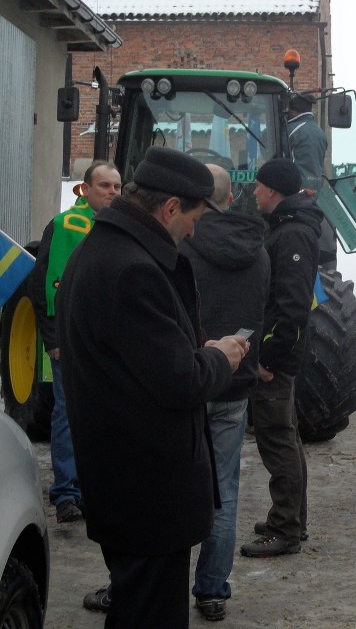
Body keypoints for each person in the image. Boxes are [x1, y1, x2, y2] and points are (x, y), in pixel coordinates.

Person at [57, 146, 247, 628]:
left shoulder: (103, 249)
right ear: (169, 208)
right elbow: (180, 382)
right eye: (194, 218)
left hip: (124, 483)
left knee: (135, 606)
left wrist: (188, 345)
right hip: (146, 491)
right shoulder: (133, 268)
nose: (194, 230)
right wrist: (217, 358)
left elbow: (140, 357)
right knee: (149, 614)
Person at [180, 165, 270, 620]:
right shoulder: (259, 249)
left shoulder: (180, 242)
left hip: (186, 379)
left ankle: (155, 582)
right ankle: (212, 588)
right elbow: (265, 308)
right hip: (234, 382)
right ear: (232, 198)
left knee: (170, 483)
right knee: (224, 487)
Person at [30, 160, 121, 524]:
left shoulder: (118, 230)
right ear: (85, 189)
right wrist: (52, 337)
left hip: (108, 340)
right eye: (104, 186)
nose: (112, 192)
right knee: (68, 412)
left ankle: (93, 486)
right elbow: (44, 286)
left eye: (116, 186)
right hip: (69, 339)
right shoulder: (65, 226)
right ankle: (66, 492)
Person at [241, 158, 323, 558]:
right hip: (283, 352)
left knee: (277, 441)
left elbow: (291, 307)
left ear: (273, 191)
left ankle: (285, 528)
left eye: (258, 186)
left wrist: (269, 358)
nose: (253, 192)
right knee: (286, 436)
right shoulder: (289, 228)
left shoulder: (291, 235)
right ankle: (294, 518)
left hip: (278, 357)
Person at [287, 92, 335, 267]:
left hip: (290, 200)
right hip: (311, 199)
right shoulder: (320, 133)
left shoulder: (291, 130)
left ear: (293, 111)